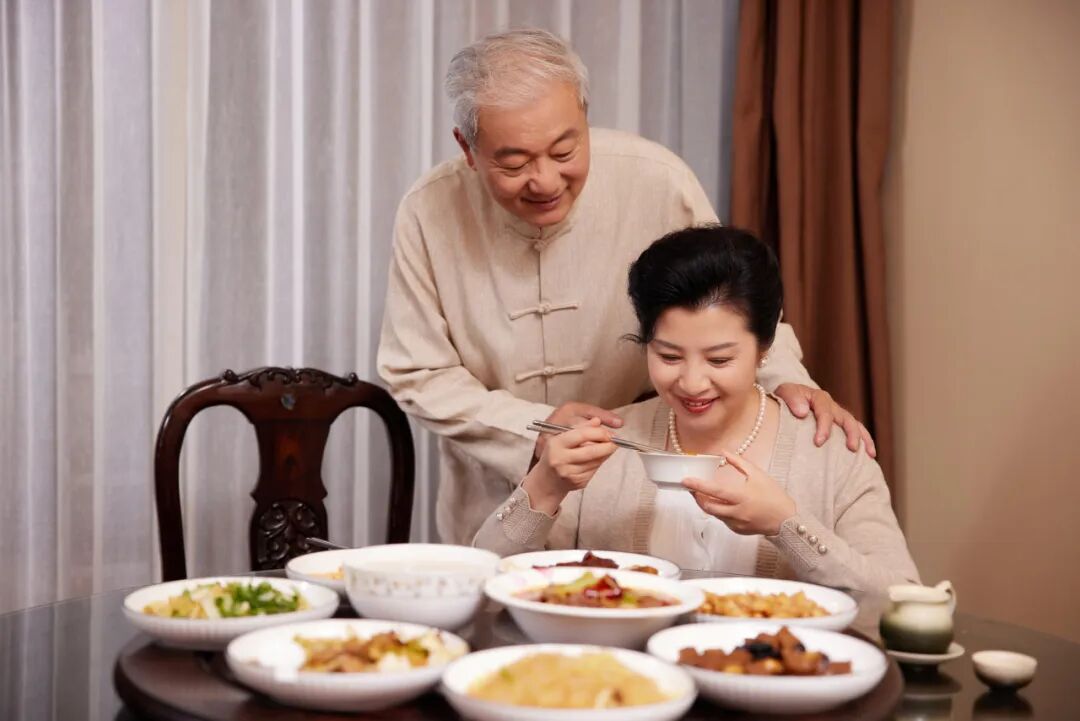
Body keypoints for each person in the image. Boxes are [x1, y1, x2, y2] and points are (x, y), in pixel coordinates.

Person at [377, 29, 873, 545]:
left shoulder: (656, 179)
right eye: (515, 163)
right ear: (468, 148)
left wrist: (789, 378)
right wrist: (535, 427)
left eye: (564, 151)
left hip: (636, 488)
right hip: (494, 494)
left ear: (585, 118)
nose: (545, 181)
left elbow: (727, 299)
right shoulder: (429, 210)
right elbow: (417, 370)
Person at [474, 225, 918, 595]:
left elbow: (903, 602)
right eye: (668, 356)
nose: (691, 383)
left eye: (719, 360)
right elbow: (486, 584)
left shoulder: (829, 450)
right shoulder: (607, 443)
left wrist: (786, 525)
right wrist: (544, 486)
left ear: (765, 346)